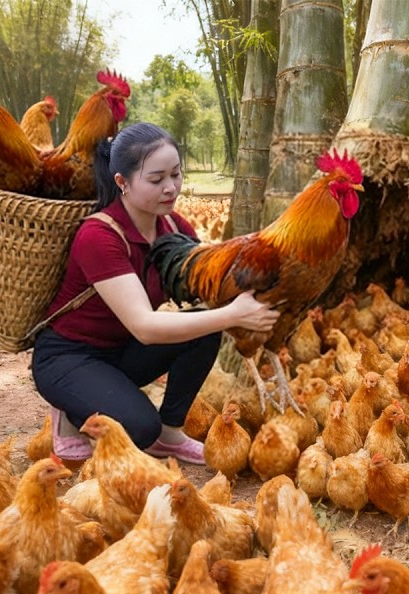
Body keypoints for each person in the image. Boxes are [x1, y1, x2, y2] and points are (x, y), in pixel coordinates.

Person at [31, 123, 278, 463]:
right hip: (70, 356)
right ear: (123, 182)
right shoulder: (99, 236)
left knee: (204, 329)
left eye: (176, 174)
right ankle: (71, 407)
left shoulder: (176, 229)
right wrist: (232, 315)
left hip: (123, 351)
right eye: (156, 179)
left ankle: (170, 431)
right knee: (140, 428)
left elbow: (206, 291)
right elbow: (144, 326)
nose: (171, 187)